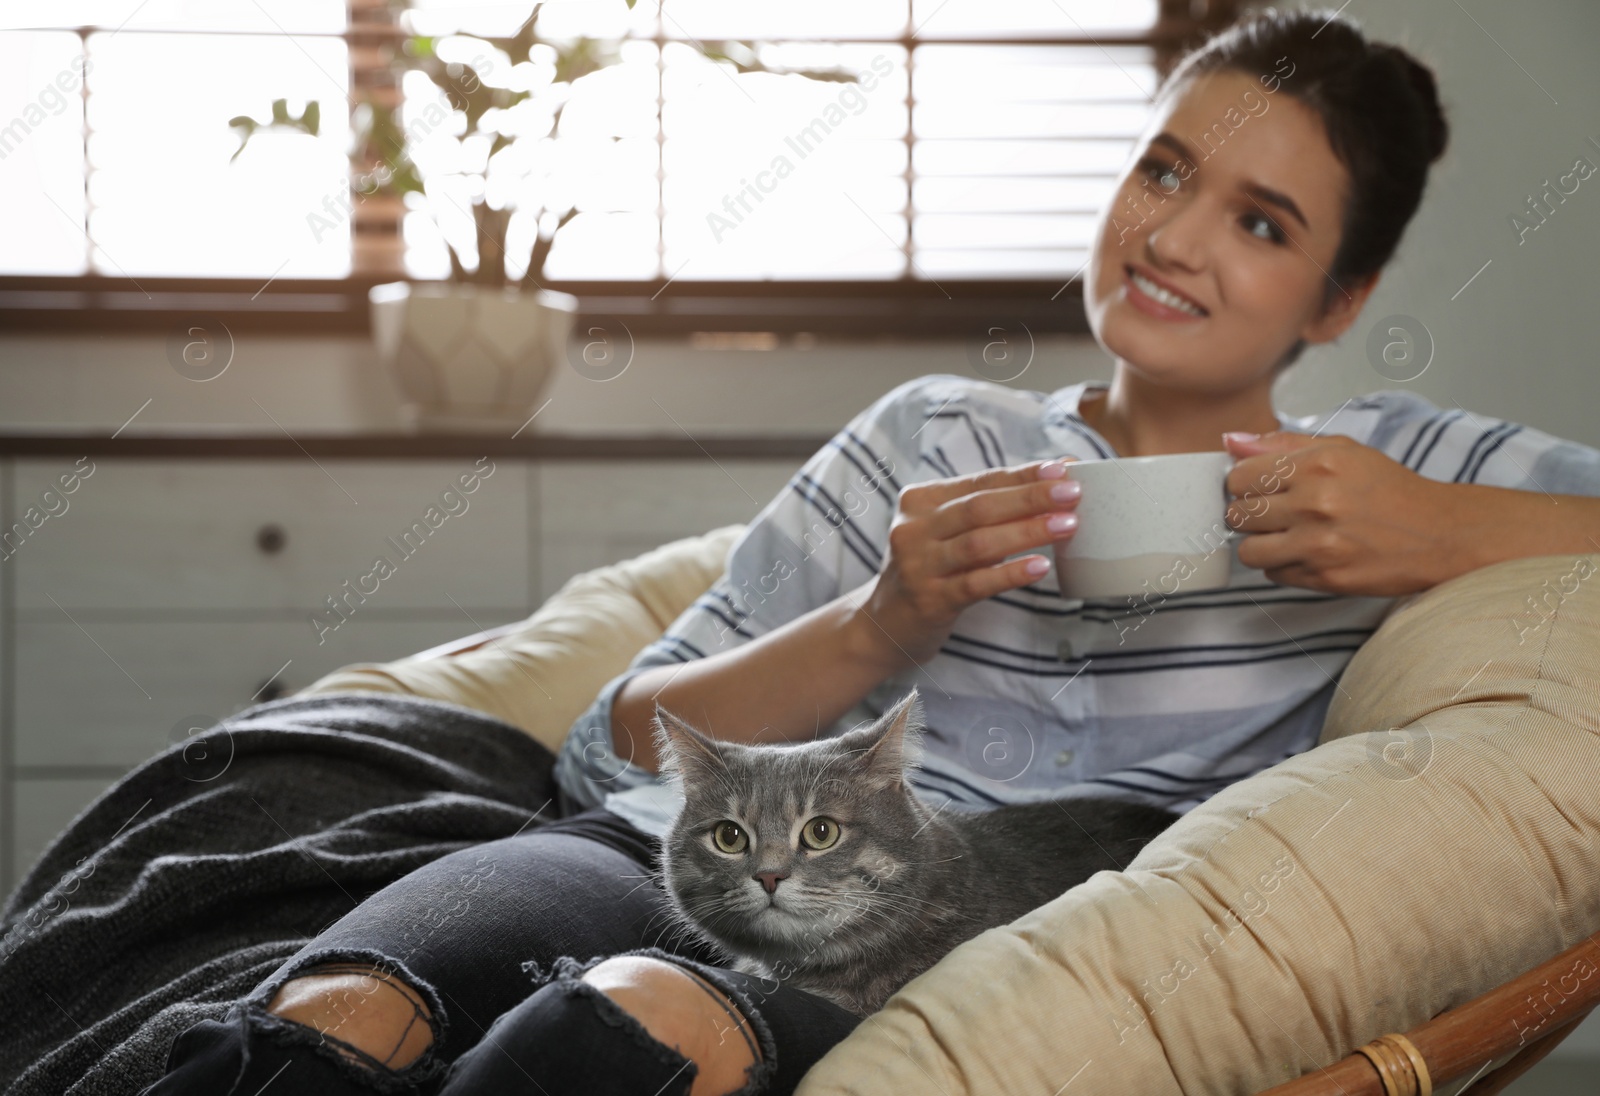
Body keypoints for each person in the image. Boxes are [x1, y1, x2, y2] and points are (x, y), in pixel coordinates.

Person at [145, 9, 1600, 1096]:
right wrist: (881, 620)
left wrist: (1442, 526)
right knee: (339, 1007)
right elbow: (613, 754)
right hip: (672, 854)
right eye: (1164, 173)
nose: (1174, 238)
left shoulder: (1395, 466)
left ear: (1335, 302)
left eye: (1260, 223)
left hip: (965, 928)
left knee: (626, 1027)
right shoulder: (935, 434)